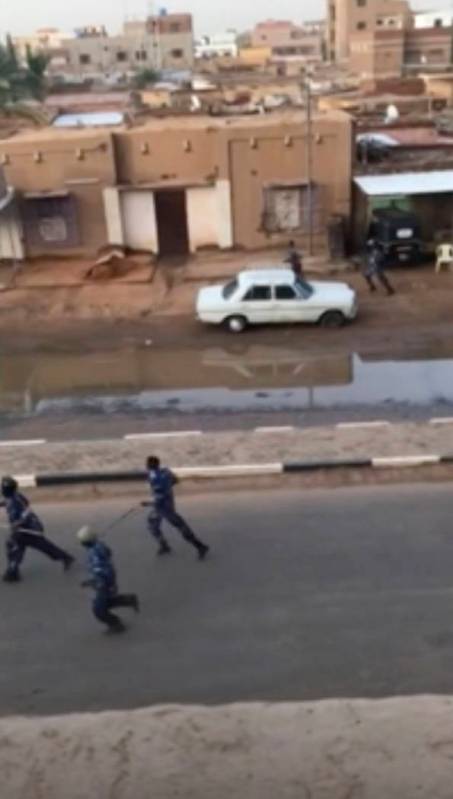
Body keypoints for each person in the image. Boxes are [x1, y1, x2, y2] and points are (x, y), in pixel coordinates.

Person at [0, 476, 74, 583]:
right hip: (25, 529)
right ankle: (13, 571)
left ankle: (13, 572)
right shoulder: (13, 497)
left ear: (6, 490)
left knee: (15, 545)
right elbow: (6, 502)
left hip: (28, 530)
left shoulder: (15, 502)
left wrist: (16, 524)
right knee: (17, 546)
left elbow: (24, 516)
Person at [145, 456, 210, 560]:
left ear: (151, 465)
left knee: (181, 527)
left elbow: (159, 498)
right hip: (167, 504)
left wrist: (147, 503)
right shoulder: (166, 471)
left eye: (147, 464)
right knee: (152, 524)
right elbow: (176, 480)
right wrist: (168, 487)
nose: (146, 466)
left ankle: (200, 546)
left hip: (165, 509)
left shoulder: (153, 477)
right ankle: (164, 545)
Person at [78, 526, 139, 634]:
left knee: (98, 609)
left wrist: (96, 582)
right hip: (107, 580)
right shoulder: (99, 547)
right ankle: (128, 599)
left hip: (103, 582)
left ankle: (116, 624)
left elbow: (99, 570)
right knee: (106, 602)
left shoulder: (94, 553)